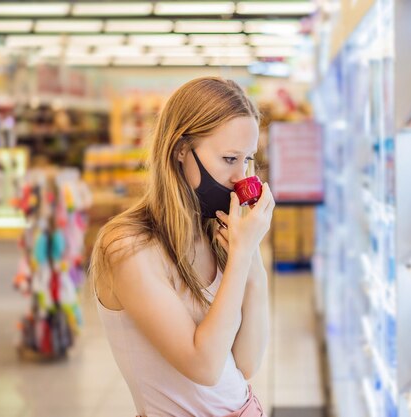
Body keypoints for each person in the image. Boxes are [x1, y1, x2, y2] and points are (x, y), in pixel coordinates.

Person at [90, 77, 275, 417]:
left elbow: (245, 364)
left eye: (248, 160)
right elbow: (203, 366)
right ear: (179, 150)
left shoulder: (215, 235)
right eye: (229, 158)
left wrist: (253, 267)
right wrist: (241, 257)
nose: (241, 178)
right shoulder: (127, 248)